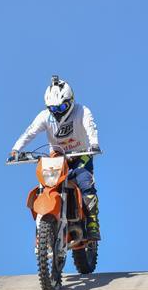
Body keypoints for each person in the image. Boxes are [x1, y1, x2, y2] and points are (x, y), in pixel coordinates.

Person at [10, 76, 102, 240]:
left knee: (85, 182)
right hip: (58, 157)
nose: (58, 112)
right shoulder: (45, 116)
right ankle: (45, 225)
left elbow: (91, 127)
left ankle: (92, 222)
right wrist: (16, 149)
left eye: (62, 107)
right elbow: (30, 132)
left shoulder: (82, 111)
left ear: (71, 101)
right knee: (46, 184)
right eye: (54, 108)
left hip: (81, 154)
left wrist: (94, 144)